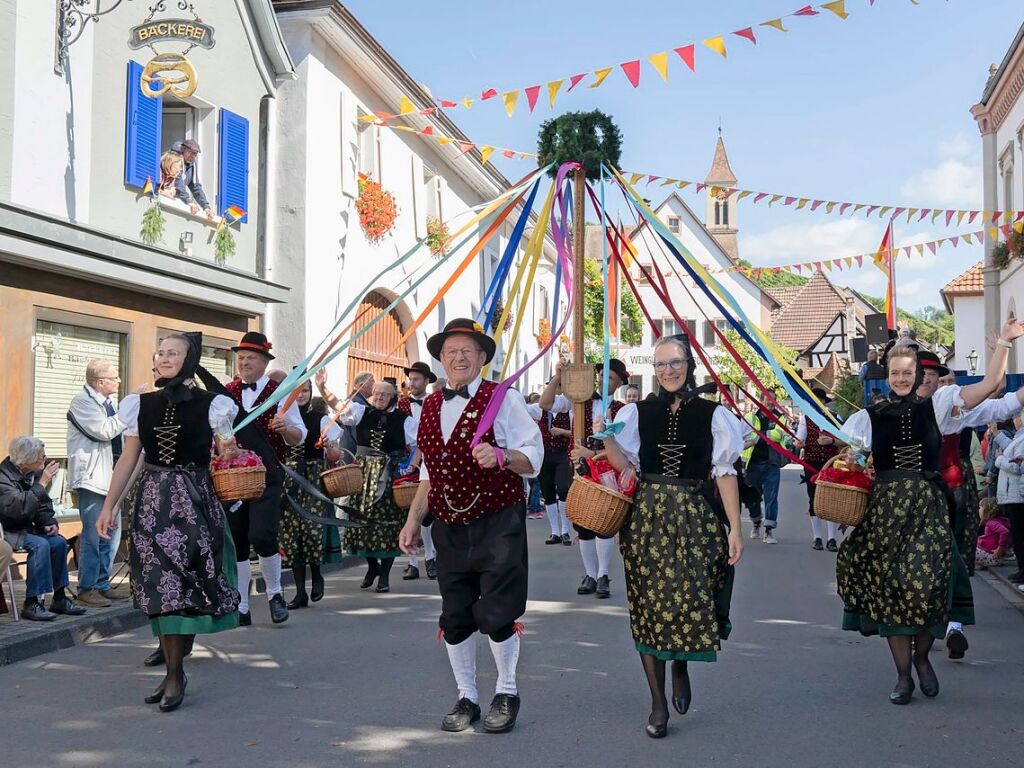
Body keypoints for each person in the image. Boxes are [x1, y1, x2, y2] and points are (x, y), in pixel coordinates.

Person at [836, 321, 1022, 706]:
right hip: (886, 511)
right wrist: (850, 467)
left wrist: (1004, 342)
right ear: (886, 377)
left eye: (908, 372)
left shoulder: (940, 405)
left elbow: (989, 387)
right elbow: (850, 460)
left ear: (919, 375)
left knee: (928, 586)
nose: (902, 379)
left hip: (927, 508)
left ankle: (922, 657)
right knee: (892, 590)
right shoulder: (867, 417)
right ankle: (904, 675)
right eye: (895, 373)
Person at [399, 318, 543, 734]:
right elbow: (430, 470)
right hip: (448, 525)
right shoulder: (427, 406)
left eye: (467, 352)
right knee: (455, 614)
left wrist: (502, 456)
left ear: (482, 358)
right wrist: (413, 520)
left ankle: (507, 691)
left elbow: (532, 457)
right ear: (441, 360)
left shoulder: (503, 399)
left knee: (498, 612)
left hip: (498, 521)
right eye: (450, 352)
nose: (458, 358)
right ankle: (467, 697)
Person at [598, 334, 744, 738]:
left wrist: (735, 528)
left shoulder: (714, 415)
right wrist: (606, 435)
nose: (668, 371)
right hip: (648, 517)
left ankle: (680, 663)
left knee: (690, 597)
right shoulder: (636, 412)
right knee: (649, 605)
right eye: (660, 364)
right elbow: (622, 462)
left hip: (695, 514)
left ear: (688, 364)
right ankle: (657, 702)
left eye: (675, 362)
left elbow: (725, 473)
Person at [97, 333, 240, 712]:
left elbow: (227, 448)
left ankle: (175, 672)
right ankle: (174, 670)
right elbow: (128, 460)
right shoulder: (138, 404)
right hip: (151, 502)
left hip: (193, 500)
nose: (163, 358)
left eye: (173, 353)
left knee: (183, 583)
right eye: (160, 352)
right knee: (160, 585)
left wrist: (228, 446)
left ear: (189, 359)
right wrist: (109, 506)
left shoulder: (215, 405)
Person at [223, 332, 306, 626]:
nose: (244, 363)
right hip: (233, 477)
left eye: (251, 358)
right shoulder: (225, 391)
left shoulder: (279, 393)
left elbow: (299, 436)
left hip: (269, 473)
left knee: (262, 535)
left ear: (264, 362)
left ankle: (274, 593)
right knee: (238, 539)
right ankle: (242, 604)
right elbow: (216, 432)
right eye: (241, 358)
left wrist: (285, 429)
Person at [539, 359, 629, 598]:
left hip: (607, 471)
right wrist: (558, 378)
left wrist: (592, 455)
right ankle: (590, 573)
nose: (603, 379)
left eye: (610, 377)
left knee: (604, 523)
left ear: (620, 382)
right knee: (584, 523)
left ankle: (602, 574)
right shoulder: (578, 401)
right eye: (601, 375)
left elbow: (624, 448)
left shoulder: (624, 409)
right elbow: (545, 403)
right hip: (578, 470)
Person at [339, 380, 417, 593]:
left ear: (393, 398)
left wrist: (412, 465)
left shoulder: (405, 420)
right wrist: (322, 387)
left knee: (388, 525)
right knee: (361, 520)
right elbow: (339, 409)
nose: (379, 397)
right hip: (363, 475)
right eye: (376, 393)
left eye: (384, 394)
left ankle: (384, 576)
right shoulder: (362, 412)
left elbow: (421, 444)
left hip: (389, 474)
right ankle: (372, 567)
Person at [0, 437, 87, 622]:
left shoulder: (32, 472)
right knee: (40, 545)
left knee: (58, 542)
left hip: (28, 528)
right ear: (25, 459)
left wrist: (48, 522)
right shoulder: (3, 477)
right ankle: (32, 603)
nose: (45, 459)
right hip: (9, 531)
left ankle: (59, 597)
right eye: (41, 456)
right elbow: (17, 509)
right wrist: (41, 484)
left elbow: (42, 505)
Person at [67, 359, 129, 607]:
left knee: (112, 534)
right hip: (93, 478)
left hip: (113, 477)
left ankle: (102, 584)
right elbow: (103, 431)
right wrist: (128, 411)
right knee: (93, 534)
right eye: (115, 377)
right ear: (100, 381)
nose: (119, 381)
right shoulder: (81, 402)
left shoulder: (110, 403)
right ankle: (86, 588)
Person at [280, 380, 342, 609]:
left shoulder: (320, 418)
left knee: (313, 530)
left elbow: (336, 455)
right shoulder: (282, 417)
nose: (300, 396)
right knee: (291, 534)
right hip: (288, 477)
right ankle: (299, 592)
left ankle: (316, 575)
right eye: (295, 392)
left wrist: (329, 446)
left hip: (313, 477)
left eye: (304, 391)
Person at [397, 362, 437, 579]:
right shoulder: (402, 404)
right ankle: (412, 562)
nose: (411, 383)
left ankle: (430, 557)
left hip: (430, 458)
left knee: (428, 513)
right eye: (410, 379)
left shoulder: (436, 402)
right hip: (407, 460)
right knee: (409, 509)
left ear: (426, 381)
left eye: (416, 379)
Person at [794, 387, 842, 552]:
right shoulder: (805, 419)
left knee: (831, 499)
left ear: (822, 402)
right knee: (813, 498)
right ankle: (817, 537)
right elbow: (800, 439)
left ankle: (832, 539)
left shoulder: (835, 418)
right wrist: (797, 443)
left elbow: (846, 440)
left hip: (831, 463)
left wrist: (832, 442)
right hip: (812, 463)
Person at [526, 385, 573, 548]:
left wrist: (562, 431)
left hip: (562, 454)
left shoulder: (569, 407)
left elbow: (577, 431)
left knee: (562, 489)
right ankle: (555, 532)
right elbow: (521, 409)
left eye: (556, 388)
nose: (553, 391)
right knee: (548, 492)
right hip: (545, 454)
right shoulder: (540, 409)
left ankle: (565, 530)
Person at [742, 406, 790, 544]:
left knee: (771, 498)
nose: (769, 402)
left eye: (772, 399)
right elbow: (746, 435)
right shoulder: (750, 416)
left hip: (772, 463)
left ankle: (769, 530)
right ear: (761, 400)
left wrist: (758, 435)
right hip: (752, 464)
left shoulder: (780, 417)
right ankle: (756, 522)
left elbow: (778, 435)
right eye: (767, 399)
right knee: (753, 498)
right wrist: (767, 435)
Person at [994, 421, 1024, 584]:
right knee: (1017, 533)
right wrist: (997, 434)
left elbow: (1016, 466)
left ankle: (1022, 569)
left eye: (1017, 417)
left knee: (1019, 535)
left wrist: (999, 460)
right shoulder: (1019, 436)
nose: (1014, 420)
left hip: (1016, 493)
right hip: (1012, 493)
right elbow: (1011, 449)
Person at [172, 139, 213, 219]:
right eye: (191, 152)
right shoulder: (174, 159)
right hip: (165, 198)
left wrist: (206, 206)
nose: (193, 156)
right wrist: (189, 201)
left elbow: (195, 187)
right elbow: (178, 182)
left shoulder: (192, 164)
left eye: (195, 154)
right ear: (183, 149)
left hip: (177, 201)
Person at [974, 498, 1011, 568]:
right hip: (994, 556)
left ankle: (976, 565)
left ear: (985, 510)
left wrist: (1001, 547)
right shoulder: (1000, 520)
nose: (978, 510)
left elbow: (1005, 532)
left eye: (980, 508)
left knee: (969, 549)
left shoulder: (992, 523)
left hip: (992, 556)